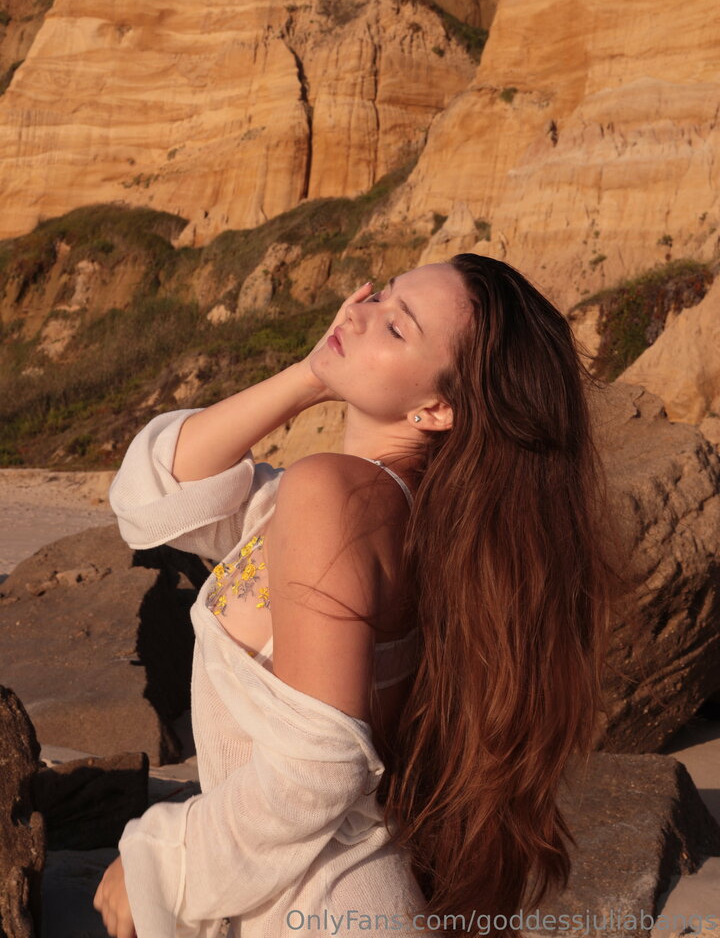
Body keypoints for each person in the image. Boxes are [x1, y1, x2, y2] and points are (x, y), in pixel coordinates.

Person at [94, 254, 629, 938]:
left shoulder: (337, 498)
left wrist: (165, 858)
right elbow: (156, 494)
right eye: (384, 293)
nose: (361, 312)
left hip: (317, 906)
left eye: (398, 327)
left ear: (435, 408)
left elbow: (319, 769)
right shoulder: (389, 510)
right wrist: (309, 374)